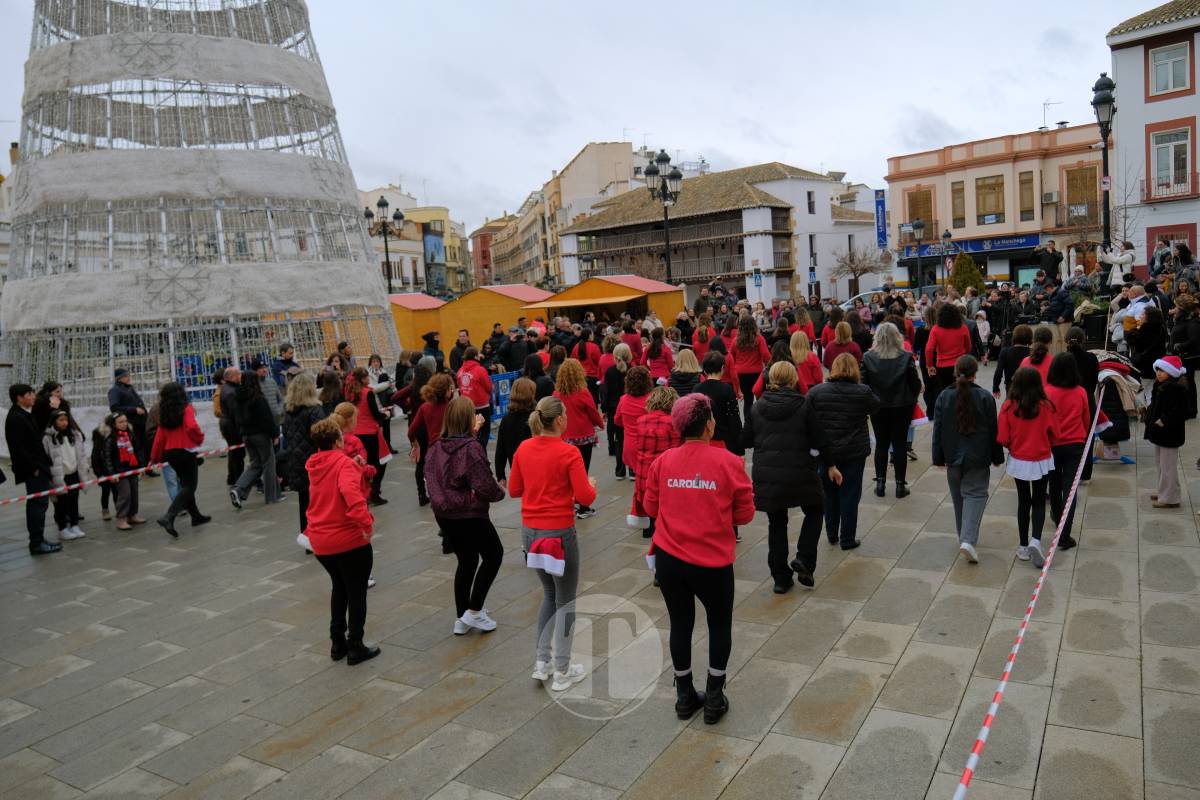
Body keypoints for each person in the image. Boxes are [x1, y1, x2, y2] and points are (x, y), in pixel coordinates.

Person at [643, 393, 754, 724]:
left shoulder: (663, 462)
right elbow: (745, 514)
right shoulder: (729, 462)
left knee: (680, 624)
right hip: (713, 564)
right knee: (719, 625)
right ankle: (715, 696)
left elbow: (650, 508)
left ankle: (684, 695)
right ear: (709, 425)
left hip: (670, 560)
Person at [509, 396, 598, 692]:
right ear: (559, 420)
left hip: (530, 533)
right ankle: (562, 669)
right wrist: (592, 487)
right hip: (559, 533)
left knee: (548, 594)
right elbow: (585, 497)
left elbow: (514, 489)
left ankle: (542, 662)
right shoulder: (569, 453)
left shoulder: (524, 447)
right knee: (566, 601)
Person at [743, 361, 839, 593]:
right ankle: (805, 558)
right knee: (815, 510)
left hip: (768, 476)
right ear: (793, 379)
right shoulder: (803, 405)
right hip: (800, 472)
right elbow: (820, 439)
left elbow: (745, 440)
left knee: (777, 522)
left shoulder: (757, 408)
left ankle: (780, 577)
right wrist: (831, 465)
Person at [426, 396, 507, 634]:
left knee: (467, 560)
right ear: (467, 419)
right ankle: (473, 611)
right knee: (494, 555)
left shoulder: (436, 446)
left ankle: (462, 617)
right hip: (469, 513)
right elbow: (484, 482)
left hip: (445, 514)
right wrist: (499, 492)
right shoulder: (471, 448)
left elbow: (431, 478)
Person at [303, 418, 379, 664]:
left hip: (320, 540)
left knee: (340, 587)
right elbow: (350, 494)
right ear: (338, 441)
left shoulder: (315, 464)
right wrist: (366, 523)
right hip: (347, 538)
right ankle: (355, 644)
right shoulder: (343, 464)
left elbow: (334, 482)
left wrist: (353, 465)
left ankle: (337, 642)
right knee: (356, 592)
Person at [933, 355, 1001, 564]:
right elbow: (993, 430)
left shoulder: (944, 396)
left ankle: (964, 536)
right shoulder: (985, 397)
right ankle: (968, 540)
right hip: (978, 456)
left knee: (958, 499)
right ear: (975, 372)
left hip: (953, 456)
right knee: (976, 494)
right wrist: (997, 456)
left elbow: (938, 428)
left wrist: (938, 457)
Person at [806, 354, 879, 548]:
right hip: (854, 451)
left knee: (829, 494)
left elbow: (807, 417)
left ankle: (831, 532)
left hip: (826, 452)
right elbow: (876, 406)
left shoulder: (816, 392)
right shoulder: (863, 392)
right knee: (850, 495)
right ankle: (847, 537)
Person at [997, 367, 1056, 568]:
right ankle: (1036, 541)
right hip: (1041, 458)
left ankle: (1022, 546)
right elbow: (1054, 433)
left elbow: (1002, 437)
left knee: (1024, 501)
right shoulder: (1046, 406)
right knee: (1039, 500)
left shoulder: (1008, 407)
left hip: (1019, 459)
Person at [863, 322, 922, 498]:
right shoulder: (905, 357)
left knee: (881, 443)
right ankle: (899, 485)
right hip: (902, 405)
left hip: (878, 406)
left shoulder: (868, 357)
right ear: (897, 337)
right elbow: (915, 384)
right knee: (899, 443)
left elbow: (863, 385)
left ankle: (880, 483)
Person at [150, 382, 210, 538]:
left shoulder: (163, 412)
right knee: (190, 486)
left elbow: (159, 438)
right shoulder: (186, 408)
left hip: (171, 453)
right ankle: (168, 516)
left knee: (185, 484)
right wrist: (199, 438)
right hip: (186, 451)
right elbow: (191, 427)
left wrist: (155, 458)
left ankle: (196, 516)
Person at [6, 384, 60, 555]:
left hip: (39, 465)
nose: (33, 396)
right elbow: (18, 448)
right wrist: (33, 468)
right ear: (19, 398)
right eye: (29, 394)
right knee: (38, 504)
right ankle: (36, 543)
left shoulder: (25, 414)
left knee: (41, 504)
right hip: (33, 468)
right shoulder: (16, 417)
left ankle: (39, 539)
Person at [1045, 354, 1091, 551]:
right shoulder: (1081, 392)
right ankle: (1064, 535)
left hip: (1052, 445)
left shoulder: (1046, 392)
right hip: (1075, 444)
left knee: (1054, 486)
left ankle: (1057, 517)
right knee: (1070, 491)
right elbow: (1086, 419)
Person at [554, 358, 604, 519]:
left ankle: (570, 502)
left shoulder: (556, 394)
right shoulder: (583, 392)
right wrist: (600, 423)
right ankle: (584, 506)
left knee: (566, 473)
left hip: (563, 438)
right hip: (583, 437)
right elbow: (592, 411)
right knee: (582, 471)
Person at [631, 386, 681, 539]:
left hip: (644, 471)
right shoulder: (674, 423)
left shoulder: (640, 421)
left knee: (650, 497)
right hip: (667, 470)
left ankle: (649, 526)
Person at [283, 372, 327, 541]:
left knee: (304, 501)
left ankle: (307, 535)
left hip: (296, 460)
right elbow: (322, 435)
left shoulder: (289, 411)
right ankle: (320, 535)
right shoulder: (314, 410)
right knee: (319, 501)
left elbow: (287, 434)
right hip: (315, 461)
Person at [230, 369, 282, 508]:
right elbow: (267, 419)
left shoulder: (238, 397)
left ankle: (238, 489)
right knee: (268, 464)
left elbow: (236, 417)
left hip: (246, 435)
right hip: (261, 435)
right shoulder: (258, 398)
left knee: (256, 464)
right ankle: (272, 496)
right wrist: (274, 434)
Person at [43, 409, 93, 541]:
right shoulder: (48, 438)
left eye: (66, 420)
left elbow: (81, 454)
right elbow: (45, 457)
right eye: (61, 420)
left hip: (74, 472)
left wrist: (85, 467)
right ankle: (63, 528)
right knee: (61, 503)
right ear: (54, 421)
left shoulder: (75, 435)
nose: (64, 423)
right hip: (59, 474)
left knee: (73, 500)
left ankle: (75, 525)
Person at [1146, 355, 1188, 509]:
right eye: (1158, 370)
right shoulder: (1161, 385)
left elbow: (1181, 411)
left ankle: (1170, 498)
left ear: (1171, 372)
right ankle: (1164, 491)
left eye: (1163, 371)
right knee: (1161, 464)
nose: (1159, 373)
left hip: (1169, 433)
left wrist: (1163, 420)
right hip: (1161, 433)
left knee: (1168, 466)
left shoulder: (1176, 389)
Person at [345, 367, 391, 505]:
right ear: (363, 379)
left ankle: (365, 492)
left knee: (362, 464)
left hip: (355, 432)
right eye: (366, 377)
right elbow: (375, 414)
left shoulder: (350, 394)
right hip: (369, 432)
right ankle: (374, 492)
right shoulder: (367, 393)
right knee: (379, 462)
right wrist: (385, 414)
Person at [408, 373, 454, 506]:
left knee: (437, 488)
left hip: (433, 451)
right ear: (446, 391)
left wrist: (415, 443)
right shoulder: (452, 406)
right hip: (451, 449)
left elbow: (411, 431)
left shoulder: (425, 407)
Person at [98, 413, 144, 531]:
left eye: (125, 421)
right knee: (125, 494)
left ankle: (132, 515)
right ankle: (121, 518)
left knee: (134, 492)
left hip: (132, 468)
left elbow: (137, 450)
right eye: (120, 422)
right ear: (114, 424)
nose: (124, 424)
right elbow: (107, 458)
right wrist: (111, 473)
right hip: (119, 472)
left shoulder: (131, 435)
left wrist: (141, 466)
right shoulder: (110, 439)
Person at [695, 352, 744, 455]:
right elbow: (734, 419)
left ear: (704, 370)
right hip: (724, 441)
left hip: (703, 439)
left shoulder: (697, 389)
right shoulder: (727, 390)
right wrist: (739, 446)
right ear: (722, 368)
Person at [925, 302, 972, 407]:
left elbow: (929, 349)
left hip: (942, 366)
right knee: (962, 393)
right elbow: (968, 346)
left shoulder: (935, 329)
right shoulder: (963, 327)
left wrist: (929, 365)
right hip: (960, 365)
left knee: (945, 394)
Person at [615, 365, 654, 486]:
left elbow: (617, 420)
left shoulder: (623, 399)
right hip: (648, 444)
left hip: (630, 445)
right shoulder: (651, 400)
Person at [495, 377, 536, 484]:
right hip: (537, 465)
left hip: (517, 467)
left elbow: (500, 450)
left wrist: (500, 475)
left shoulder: (506, 419)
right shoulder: (536, 416)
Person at [731, 315, 771, 421]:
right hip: (756, 373)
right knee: (760, 398)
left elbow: (731, 356)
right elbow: (766, 355)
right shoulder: (759, 339)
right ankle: (761, 420)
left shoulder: (736, 340)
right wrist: (771, 366)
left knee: (747, 401)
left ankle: (748, 422)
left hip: (741, 373)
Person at [601, 343, 632, 479]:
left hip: (614, 408)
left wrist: (604, 409)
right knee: (631, 439)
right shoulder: (633, 370)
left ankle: (620, 471)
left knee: (619, 439)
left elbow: (606, 392)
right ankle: (632, 470)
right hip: (630, 408)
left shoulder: (610, 371)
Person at [108, 368, 149, 462]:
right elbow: (114, 408)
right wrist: (134, 410)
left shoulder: (128, 387)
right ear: (119, 378)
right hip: (131, 423)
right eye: (126, 376)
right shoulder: (115, 391)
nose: (129, 378)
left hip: (141, 422)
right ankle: (139, 467)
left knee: (144, 446)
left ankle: (146, 467)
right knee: (136, 447)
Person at [456, 347, 494, 448]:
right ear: (475, 356)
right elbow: (489, 387)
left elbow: (459, 387)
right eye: (478, 354)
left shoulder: (460, 371)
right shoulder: (480, 370)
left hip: (467, 407)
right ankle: (480, 455)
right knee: (484, 433)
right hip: (482, 406)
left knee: (469, 434)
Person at [217, 367, 245, 487]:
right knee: (238, 455)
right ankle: (239, 481)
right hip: (232, 428)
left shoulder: (228, 388)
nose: (241, 377)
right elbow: (236, 413)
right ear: (233, 377)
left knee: (234, 454)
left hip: (228, 425)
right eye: (239, 375)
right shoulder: (231, 392)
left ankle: (233, 478)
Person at [992, 324, 1033, 397]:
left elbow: (999, 372)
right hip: (1029, 388)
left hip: (1011, 387)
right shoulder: (1033, 353)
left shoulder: (1005, 352)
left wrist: (996, 388)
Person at [572, 328, 602, 403]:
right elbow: (599, 362)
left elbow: (573, 361)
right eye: (592, 334)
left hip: (580, 377)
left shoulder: (576, 346)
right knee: (594, 399)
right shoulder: (594, 347)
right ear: (589, 336)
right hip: (593, 377)